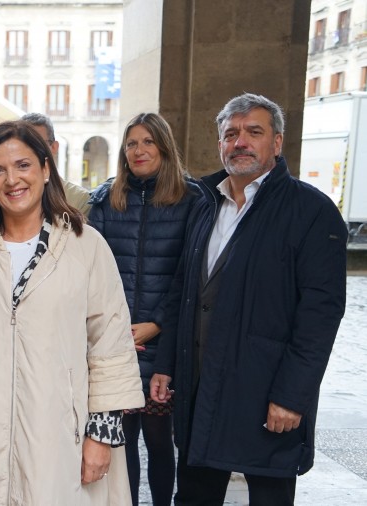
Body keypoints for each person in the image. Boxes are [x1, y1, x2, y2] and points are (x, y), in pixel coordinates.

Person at [0, 120, 144, 504]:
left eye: (23, 166)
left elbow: (111, 344)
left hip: (59, 434)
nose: (11, 180)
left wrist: (101, 435)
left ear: (45, 169)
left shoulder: (85, 246)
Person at [150, 93, 348, 506]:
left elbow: (320, 315)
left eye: (253, 132)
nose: (240, 142)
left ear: (276, 142)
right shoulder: (204, 203)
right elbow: (182, 290)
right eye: (231, 133)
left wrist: (292, 396)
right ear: (220, 142)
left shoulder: (311, 211)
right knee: (194, 495)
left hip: (266, 394)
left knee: (269, 497)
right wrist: (167, 366)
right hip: (200, 387)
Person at [88, 112, 199, 506]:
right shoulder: (105, 200)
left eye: (148, 142)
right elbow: (91, 273)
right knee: (124, 439)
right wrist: (115, 329)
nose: (139, 150)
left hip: (163, 344)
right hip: (118, 341)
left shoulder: (193, 201)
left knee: (159, 438)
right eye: (132, 143)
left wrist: (156, 324)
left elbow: (191, 276)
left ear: (164, 147)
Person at [21, 112, 92, 215]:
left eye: (38, 143)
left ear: (54, 147)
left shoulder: (79, 199)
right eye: (24, 144)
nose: (31, 150)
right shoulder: (11, 195)